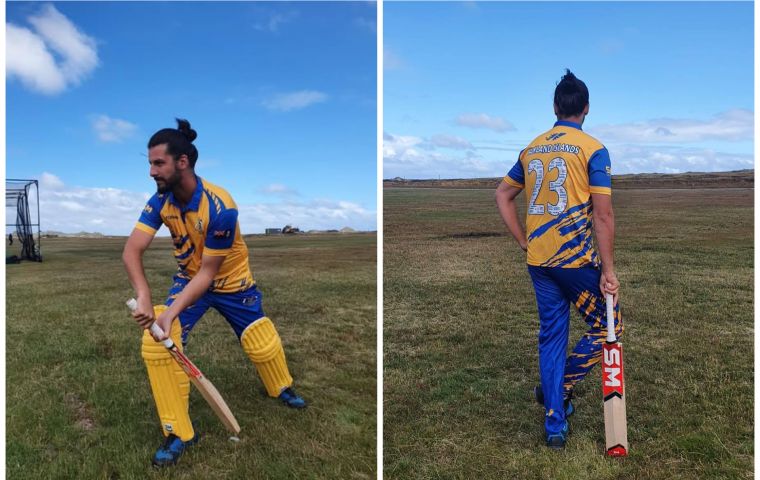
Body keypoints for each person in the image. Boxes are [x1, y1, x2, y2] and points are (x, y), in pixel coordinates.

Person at [123, 118, 307, 467]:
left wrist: (171, 310)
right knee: (157, 343)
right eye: (148, 163)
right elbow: (131, 250)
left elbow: (209, 273)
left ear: (183, 162)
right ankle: (177, 431)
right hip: (189, 277)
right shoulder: (159, 202)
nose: (151, 171)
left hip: (231, 282)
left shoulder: (220, 206)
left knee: (260, 340)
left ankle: (281, 386)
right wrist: (145, 296)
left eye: (158, 163)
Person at [495, 70, 621, 450]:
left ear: (554, 107)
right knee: (607, 325)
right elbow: (602, 215)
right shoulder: (593, 148)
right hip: (575, 262)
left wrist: (523, 241)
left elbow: (502, 195)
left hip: (540, 261)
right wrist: (609, 270)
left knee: (551, 336)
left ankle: (554, 423)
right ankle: (559, 391)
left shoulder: (531, 148)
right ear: (586, 109)